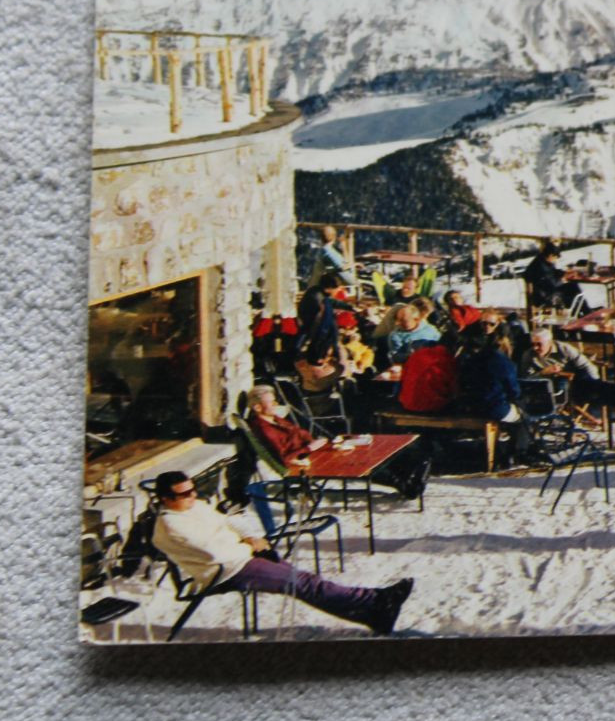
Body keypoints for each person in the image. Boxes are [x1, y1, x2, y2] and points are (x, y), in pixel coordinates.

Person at [150, 469, 415, 636]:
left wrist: (252, 536)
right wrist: (248, 546)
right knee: (303, 583)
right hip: (225, 571)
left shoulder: (194, 506)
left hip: (242, 557)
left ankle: (373, 613)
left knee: (303, 582)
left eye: (193, 489)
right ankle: (376, 599)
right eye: (184, 493)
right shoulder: (172, 524)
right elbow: (214, 553)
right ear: (165, 498)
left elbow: (229, 520)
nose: (192, 495)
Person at [245, 384, 428, 499]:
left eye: (275, 400)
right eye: (271, 402)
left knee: (360, 448)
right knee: (356, 461)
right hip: (303, 461)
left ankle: (406, 478)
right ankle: (406, 484)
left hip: (313, 450)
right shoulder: (264, 428)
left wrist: (316, 442)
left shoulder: (275, 419)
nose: (276, 404)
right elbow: (284, 457)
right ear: (257, 407)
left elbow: (298, 434)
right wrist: (309, 447)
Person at [456, 323, 535, 467]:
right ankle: (518, 453)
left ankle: (505, 448)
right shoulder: (503, 363)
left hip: (469, 405)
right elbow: (514, 391)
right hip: (492, 408)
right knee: (522, 416)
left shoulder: (472, 359)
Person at [518, 326, 615, 414]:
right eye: (533, 344)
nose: (535, 347)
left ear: (549, 342)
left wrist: (596, 382)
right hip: (552, 388)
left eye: (539, 344)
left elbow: (586, 364)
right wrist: (543, 373)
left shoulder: (564, 348)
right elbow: (525, 379)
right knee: (596, 392)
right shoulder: (528, 355)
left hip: (578, 380)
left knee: (595, 391)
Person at [296, 272, 347, 365]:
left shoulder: (315, 290)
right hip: (309, 328)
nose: (337, 293)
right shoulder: (319, 299)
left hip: (306, 325)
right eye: (337, 290)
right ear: (329, 288)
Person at [523, 242, 582, 310]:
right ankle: (585, 313)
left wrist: (565, 272)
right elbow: (552, 284)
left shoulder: (544, 260)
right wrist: (563, 279)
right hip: (545, 296)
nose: (556, 260)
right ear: (551, 255)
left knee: (573, 286)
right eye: (555, 258)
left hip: (549, 290)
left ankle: (585, 312)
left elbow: (553, 272)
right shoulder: (541, 267)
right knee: (574, 298)